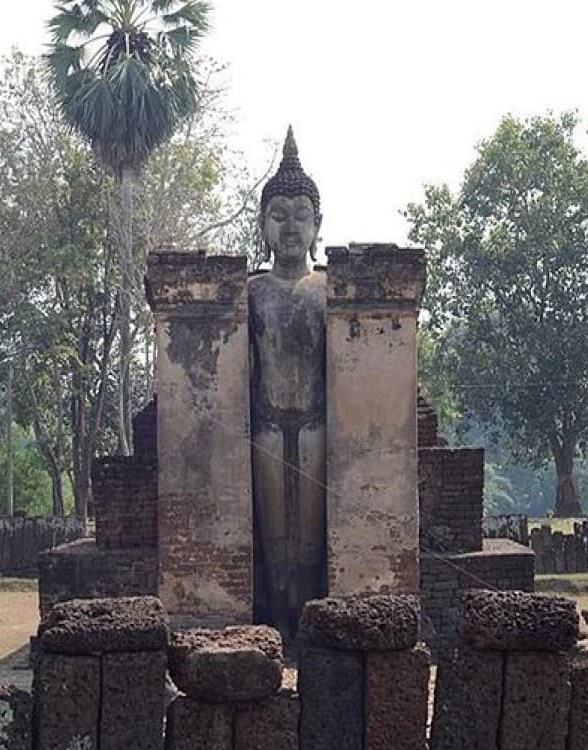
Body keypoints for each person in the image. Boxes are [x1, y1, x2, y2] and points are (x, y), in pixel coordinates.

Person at [248, 126, 327, 640]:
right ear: (264, 226)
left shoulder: (330, 290)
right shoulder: (252, 292)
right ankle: (277, 621)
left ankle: (313, 622)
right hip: (267, 427)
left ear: (319, 222)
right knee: (274, 537)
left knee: (313, 538)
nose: (291, 226)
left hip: (318, 425)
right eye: (280, 215)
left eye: (301, 214)